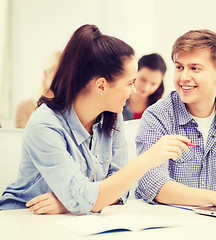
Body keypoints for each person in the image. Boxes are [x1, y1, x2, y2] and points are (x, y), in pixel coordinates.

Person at [0, 24, 191, 215]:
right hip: (24, 217)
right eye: (130, 82)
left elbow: (120, 190)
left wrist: (73, 202)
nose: (133, 91)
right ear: (101, 86)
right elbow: (91, 196)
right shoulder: (44, 125)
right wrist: (148, 159)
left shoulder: (113, 117)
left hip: (76, 219)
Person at [135, 29, 216, 209]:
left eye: (194, 68)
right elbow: (154, 185)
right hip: (165, 222)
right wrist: (215, 197)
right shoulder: (157, 115)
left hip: (215, 222)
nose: (184, 77)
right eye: (179, 67)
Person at [15, 51, 62, 128]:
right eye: (58, 74)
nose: (62, 79)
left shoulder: (71, 109)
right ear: (46, 74)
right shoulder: (24, 109)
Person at [122, 53, 166, 120]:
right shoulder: (117, 101)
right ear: (135, 73)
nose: (146, 87)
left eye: (153, 84)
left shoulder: (161, 110)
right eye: (143, 80)